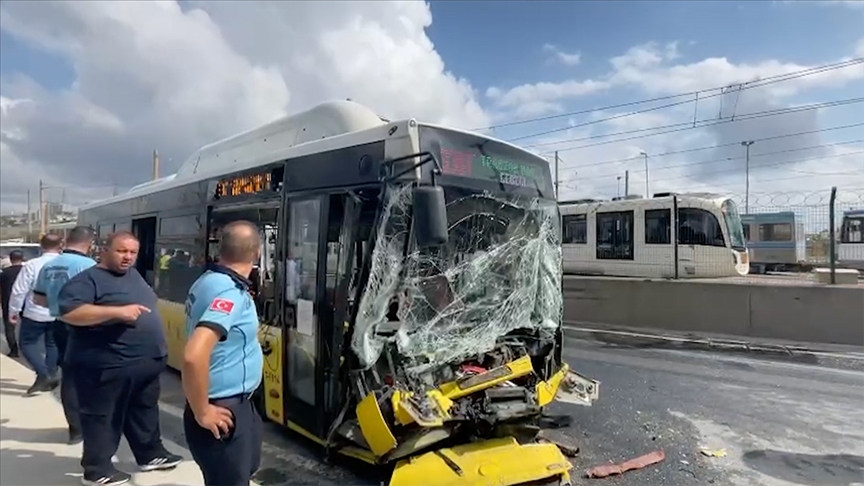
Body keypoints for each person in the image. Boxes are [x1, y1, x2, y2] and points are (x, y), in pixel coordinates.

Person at [58, 231, 182, 486]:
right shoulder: (88, 280)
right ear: (104, 250)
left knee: (144, 411)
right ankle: (98, 469)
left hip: (144, 364)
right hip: (107, 365)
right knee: (102, 416)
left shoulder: (133, 275)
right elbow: (70, 313)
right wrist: (116, 312)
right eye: (121, 251)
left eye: (132, 253)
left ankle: (150, 454)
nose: (127, 257)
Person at [182, 220, 264, 486]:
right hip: (222, 411)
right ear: (257, 252)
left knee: (242, 471)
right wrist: (203, 411)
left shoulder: (208, 280)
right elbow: (194, 355)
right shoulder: (229, 293)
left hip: (238, 404)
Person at [32, 226, 97, 444]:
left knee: (69, 376)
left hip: (59, 324)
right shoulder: (89, 266)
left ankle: (75, 429)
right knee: (91, 376)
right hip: (85, 327)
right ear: (90, 243)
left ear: (67, 240)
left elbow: (38, 300)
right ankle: (92, 424)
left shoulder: (49, 266)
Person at [8, 234, 63, 395]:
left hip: (35, 312)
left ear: (41, 245)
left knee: (27, 344)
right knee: (52, 344)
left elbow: (19, 290)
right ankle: (51, 374)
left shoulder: (32, 264)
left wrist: (14, 310)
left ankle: (43, 374)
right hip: (59, 312)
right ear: (60, 244)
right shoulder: (65, 263)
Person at [0, 250, 25, 357]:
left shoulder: (4, 273)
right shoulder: (27, 271)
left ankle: (14, 350)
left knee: (9, 328)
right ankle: (26, 347)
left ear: (10, 259)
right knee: (26, 325)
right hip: (26, 302)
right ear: (22, 258)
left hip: (8, 302)